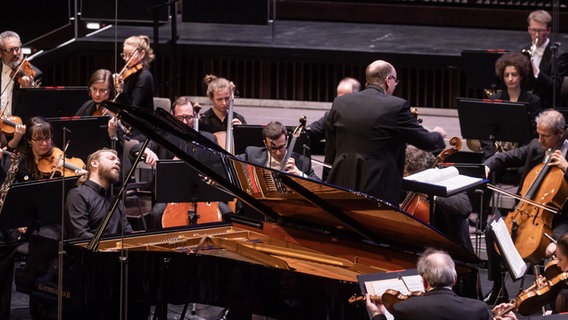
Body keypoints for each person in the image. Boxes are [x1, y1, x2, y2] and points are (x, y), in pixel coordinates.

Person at [324, 59, 446, 206]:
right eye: (395, 81)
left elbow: (331, 148)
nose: (395, 85)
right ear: (388, 80)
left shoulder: (340, 103)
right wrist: (438, 134)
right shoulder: (396, 107)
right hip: (377, 188)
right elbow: (428, 142)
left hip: (341, 182)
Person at [483, 109, 568, 305]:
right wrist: (489, 165)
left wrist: (566, 168)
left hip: (561, 219)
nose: (540, 140)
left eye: (545, 136)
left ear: (560, 133)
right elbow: (507, 156)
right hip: (528, 211)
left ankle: (551, 302)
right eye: (538, 134)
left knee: (555, 248)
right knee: (491, 230)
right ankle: (498, 287)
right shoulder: (535, 146)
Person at [128, 96, 222, 229]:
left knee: (227, 213)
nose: (184, 122)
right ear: (171, 116)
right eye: (179, 118)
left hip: (203, 196)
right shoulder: (162, 137)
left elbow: (219, 166)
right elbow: (135, 148)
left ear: (195, 115)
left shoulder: (209, 139)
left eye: (189, 117)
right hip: (170, 198)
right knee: (155, 214)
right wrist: (146, 152)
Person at [365, 248, 494, 320]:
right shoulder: (478, 309)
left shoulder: (405, 309)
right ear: (454, 279)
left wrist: (377, 314)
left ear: (424, 281)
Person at [404, 145, 474, 252]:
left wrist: (431, 193)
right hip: (423, 246)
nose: (404, 178)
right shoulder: (409, 181)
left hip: (453, 252)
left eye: (406, 175)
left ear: (420, 175)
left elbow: (465, 208)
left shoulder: (449, 178)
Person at [481, 52, 543, 162]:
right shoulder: (494, 99)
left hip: (521, 155)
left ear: (521, 76)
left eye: (514, 75)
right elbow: (485, 133)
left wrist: (513, 155)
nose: (510, 79)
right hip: (495, 155)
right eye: (506, 75)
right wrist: (493, 154)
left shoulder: (533, 101)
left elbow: (533, 134)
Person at [65, 148, 132, 239]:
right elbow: (80, 234)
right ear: (94, 163)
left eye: (118, 160)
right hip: (89, 252)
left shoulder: (117, 202)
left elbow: (128, 234)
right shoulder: (78, 195)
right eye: (111, 158)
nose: (117, 162)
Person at [237, 120, 319, 180]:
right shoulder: (252, 154)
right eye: (273, 148)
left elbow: (320, 185)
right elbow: (228, 161)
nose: (278, 153)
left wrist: (300, 174)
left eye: (281, 147)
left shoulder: (302, 162)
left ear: (287, 140)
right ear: (265, 144)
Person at [522, 10, 568, 109]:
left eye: (541, 30)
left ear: (548, 30)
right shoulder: (524, 51)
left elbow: (556, 86)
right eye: (534, 30)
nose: (537, 35)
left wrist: (537, 72)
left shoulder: (559, 55)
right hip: (526, 103)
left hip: (547, 106)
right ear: (529, 29)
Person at [113, 35, 156, 140]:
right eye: (124, 55)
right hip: (128, 124)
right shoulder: (129, 74)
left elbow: (133, 110)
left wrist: (121, 91)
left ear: (142, 54)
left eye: (130, 55)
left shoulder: (144, 77)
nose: (126, 59)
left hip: (141, 130)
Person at [0, 30, 42, 117]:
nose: (15, 54)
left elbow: (36, 110)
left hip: (19, 127)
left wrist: (27, 91)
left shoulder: (35, 74)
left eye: (17, 48)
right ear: (1, 53)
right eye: (9, 50)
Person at [307, 77, 361, 142]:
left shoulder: (365, 116)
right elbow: (313, 130)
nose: (340, 102)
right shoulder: (333, 116)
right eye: (338, 98)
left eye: (344, 98)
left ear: (356, 97)